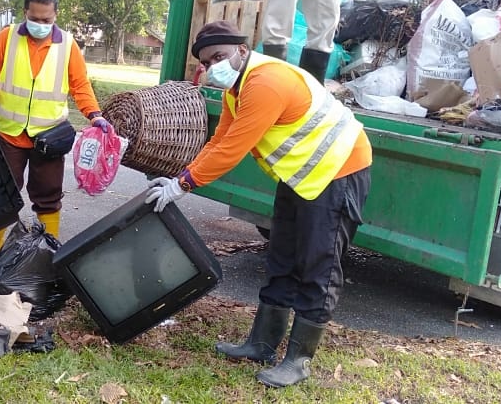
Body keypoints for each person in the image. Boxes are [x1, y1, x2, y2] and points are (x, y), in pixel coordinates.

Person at [145, 20, 371, 388]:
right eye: (206, 61)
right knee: (281, 257)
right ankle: (262, 343)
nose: (212, 65)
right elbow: (220, 139)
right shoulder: (238, 87)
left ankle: (298, 360)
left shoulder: (265, 83)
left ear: (242, 51)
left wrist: (183, 185)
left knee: (320, 265)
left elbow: (233, 150)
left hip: (339, 172)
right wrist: (179, 176)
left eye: (219, 55)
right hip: (303, 175)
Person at [0, 0, 110, 246]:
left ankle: (48, 248)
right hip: (10, 134)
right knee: (1, 194)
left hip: (49, 137)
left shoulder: (67, 45)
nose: (40, 24)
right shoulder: (7, 38)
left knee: (48, 196)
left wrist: (94, 114)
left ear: (56, 15)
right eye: (35, 19)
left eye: (46, 20)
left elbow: (80, 84)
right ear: (25, 12)